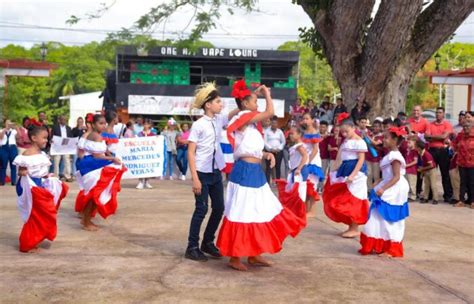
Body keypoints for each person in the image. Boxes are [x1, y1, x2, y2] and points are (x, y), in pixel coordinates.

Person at [216, 80, 305, 271]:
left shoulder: (251, 125)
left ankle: (255, 253)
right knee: (242, 210)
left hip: (255, 171)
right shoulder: (242, 118)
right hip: (245, 172)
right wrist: (266, 93)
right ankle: (235, 256)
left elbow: (250, 149)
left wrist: (266, 154)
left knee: (261, 209)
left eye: (258, 101)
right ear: (246, 104)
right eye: (255, 101)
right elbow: (270, 112)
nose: (258, 105)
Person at [184, 82, 238, 262]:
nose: (221, 105)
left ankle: (207, 242)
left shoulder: (218, 120)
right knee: (201, 209)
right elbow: (191, 152)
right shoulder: (199, 125)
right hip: (201, 172)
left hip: (215, 172)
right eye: (218, 102)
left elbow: (232, 114)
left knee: (219, 208)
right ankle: (192, 247)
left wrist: (242, 99)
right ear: (208, 105)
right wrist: (195, 179)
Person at [13, 123, 69, 252]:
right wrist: (23, 172)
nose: (46, 140)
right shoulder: (26, 154)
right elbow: (21, 171)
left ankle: (36, 238)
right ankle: (27, 243)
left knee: (42, 213)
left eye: (46, 138)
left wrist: (48, 176)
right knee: (35, 214)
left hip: (39, 185)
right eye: (44, 138)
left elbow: (42, 171)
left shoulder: (42, 154)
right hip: (30, 187)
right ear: (34, 138)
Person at [359, 127, 410, 258]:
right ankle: (379, 244)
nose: (384, 139)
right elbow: (389, 174)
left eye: (387, 137)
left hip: (394, 188)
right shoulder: (389, 154)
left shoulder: (395, 156)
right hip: (389, 184)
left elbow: (396, 176)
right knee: (378, 216)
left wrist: (383, 188)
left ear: (395, 140)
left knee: (390, 218)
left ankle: (391, 248)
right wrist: (380, 181)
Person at [75, 114, 126, 231]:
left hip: (91, 164)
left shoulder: (94, 135)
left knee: (94, 193)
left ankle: (86, 219)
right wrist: (113, 159)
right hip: (92, 166)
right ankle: (86, 221)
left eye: (104, 123)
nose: (103, 126)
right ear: (93, 124)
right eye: (100, 123)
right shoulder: (95, 136)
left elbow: (102, 151)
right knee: (94, 193)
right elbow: (97, 156)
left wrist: (110, 155)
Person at [323, 113, 369, 238]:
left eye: (346, 131)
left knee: (354, 199)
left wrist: (353, 175)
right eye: (342, 132)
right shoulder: (346, 141)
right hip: (345, 169)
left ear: (353, 127)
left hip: (356, 172)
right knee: (344, 198)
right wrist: (333, 172)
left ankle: (355, 227)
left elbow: (361, 160)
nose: (344, 134)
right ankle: (350, 226)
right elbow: (339, 158)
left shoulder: (359, 142)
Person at [275, 126, 310, 221]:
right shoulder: (297, 146)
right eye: (290, 133)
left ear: (299, 135)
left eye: (292, 133)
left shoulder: (299, 146)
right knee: (295, 190)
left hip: (300, 170)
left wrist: (299, 168)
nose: (290, 135)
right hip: (296, 169)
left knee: (299, 192)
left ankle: (300, 215)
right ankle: (296, 213)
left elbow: (305, 156)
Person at [425, 107, 453, 203]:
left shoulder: (447, 124)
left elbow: (444, 136)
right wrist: (439, 137)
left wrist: (431, 137)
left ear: (443, 114)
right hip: (432, 151)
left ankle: (447, 196)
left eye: (440, 113)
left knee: (445, 174)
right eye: (437, 113)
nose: (438, 114)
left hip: (442, 151)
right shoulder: (430, 124)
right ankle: (430, 195)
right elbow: (426, 136)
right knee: (430, 174)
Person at [301, 112, 324, 216]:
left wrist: (308, 161)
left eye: (307, 118)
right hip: (305, 160)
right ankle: (305, 208)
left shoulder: (314, 132)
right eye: (304, 119)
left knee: (312, 186)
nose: (305, 120)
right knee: (305, 185)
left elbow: (315, 149)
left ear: (311, 120)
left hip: (312, 161)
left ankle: (312, 210)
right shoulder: (304, 131)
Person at [451, 122, 474, 208]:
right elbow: (453, 144)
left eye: (467, 126)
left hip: (472, 164)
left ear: (472, 127)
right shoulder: (460, 135)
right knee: (463, 183)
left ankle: (472, 201)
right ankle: (461, 201)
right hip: (462, 163)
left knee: (472, 183)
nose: (465, 128)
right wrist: (455, 149)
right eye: (464, 126)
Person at [416, 140, 440, 204]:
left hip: (432, 170)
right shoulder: (421, 153)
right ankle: (425, 198)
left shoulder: (426, 154)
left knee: (433, 185)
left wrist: (422, 169)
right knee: (426, 185)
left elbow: (431, 165)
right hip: (426, 170)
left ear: (419, 147)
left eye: (416, 146)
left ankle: (436, 198)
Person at [136, 119, 157, 189]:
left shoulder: (153, 134)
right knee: (141, 166)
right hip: (141, 153)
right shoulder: (139, 134)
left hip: (149, 154)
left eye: (147, 124)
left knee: (148, 166)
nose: (146, 125)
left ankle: (147, 181)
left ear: (150, 125)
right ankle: (141, 181)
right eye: (144, 124)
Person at [51, 115, 73, 182]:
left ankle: (68, 176)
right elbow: (52, 136)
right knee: (56, 161)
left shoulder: (69, 128)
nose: (64, 121)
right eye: (62, 119)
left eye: (65, 119)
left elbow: (71, 137)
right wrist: (52, 141)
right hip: (58, 146)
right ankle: (56, 176)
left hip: (66, 146)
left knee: (67, 161)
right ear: (59, 120)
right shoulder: (55, 127)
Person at [264, 117, 286, 183]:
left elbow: (283, 141)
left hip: (278, 151)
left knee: (278, 167)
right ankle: (267, 182)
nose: (274, 124)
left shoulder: (280, 132)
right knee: (268, 167)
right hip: (269, 152)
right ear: (271, 123)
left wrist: (278, 148)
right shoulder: (267, 131)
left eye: (275, 123)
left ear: (277, 124)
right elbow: (265, 142)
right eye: (273, 123)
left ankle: (278, 182)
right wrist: (271, 149)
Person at [0, 119, 19, 185]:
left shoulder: (13, 131)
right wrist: (5, 129)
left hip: (12, 147)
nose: (9, 124)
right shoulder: (1, 130)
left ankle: (13, 181)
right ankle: (2, 181)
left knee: (13, 165)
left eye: (10, 122)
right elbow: (1, 137)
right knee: (3, 165)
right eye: (7, 122)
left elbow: (18, 137)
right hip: (3, 148)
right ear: (4, 123)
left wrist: (17, 128)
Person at [404, 136, 419, 202]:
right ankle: (408, 195)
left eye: (409, 143)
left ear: (414, 143)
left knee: (412, 184)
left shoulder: (415, 151)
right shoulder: (408, 151)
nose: (408, 144)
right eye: (407, 143)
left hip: (412, 170)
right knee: (407, 183)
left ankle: (413, 196)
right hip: (407, 170)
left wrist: (407, 165)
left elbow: (415, 161)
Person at [319, 120, 331, 189]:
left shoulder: (329, 137)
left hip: (325, 157)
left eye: (323, 127)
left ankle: (320, 187)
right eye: (320, 127)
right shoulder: (316, 135)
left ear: (326, 128)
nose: (321, 128)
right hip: (316, 157)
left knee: (322, 172)